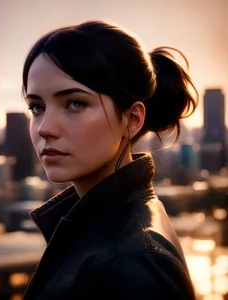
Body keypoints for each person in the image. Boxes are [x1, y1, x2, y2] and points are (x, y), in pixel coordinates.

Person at [22, 20, 198, 300]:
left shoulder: (135, 260)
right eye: (36, 107)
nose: (44, 127)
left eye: (75, 103)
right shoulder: (108, 231)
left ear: (132, 119)